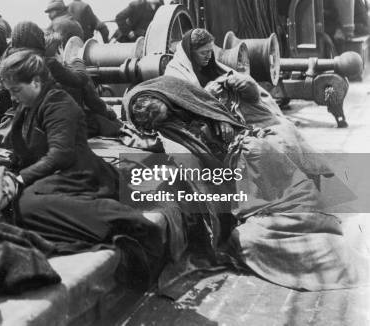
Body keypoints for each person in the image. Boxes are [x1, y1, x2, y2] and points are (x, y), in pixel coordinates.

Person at [123, 76, 368, 291]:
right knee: (253, 234)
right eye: (155, 122)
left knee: (247, 240)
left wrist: (221, 122)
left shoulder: (231, 131)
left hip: (259, 170)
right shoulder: (182, 122)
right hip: (259, 177)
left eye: (158, 116)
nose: (160, 122)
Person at [0, 49, 163, 284]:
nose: (13, 98)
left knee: (26, 206)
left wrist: (20, 178)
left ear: (36, 82)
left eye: (15, 90)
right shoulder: (29, 105)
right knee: (13, 202)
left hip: (78, 174)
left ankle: (122, 222)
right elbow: (30, 147)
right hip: (54, 174)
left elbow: (60, 154)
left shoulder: (57, 102)